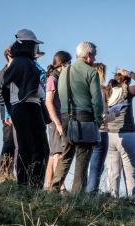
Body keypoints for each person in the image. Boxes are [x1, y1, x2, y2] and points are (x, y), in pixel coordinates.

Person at [52, 41, 104, 193]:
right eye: (93, 56)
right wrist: (98, 121)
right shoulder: (91, 72)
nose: (94, 60)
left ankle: (54, 188)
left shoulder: (64, 72)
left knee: (66, 155)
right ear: (88, 56)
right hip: (85, 119)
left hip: (66, 118)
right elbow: (97, 101)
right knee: (82, 160)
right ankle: (77, 198)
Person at [2, 29, 50, 188]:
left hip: (18, 109)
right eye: (35, 45)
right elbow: (35, 90)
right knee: (40, 149)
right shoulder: (25, 62)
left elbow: (5, 89)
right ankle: (35, 186)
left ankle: (23, 185)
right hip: (29, 107)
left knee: (25, 149)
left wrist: (12, 108)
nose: (37, 48)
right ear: (29, 45)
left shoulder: (16, 62)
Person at [106, 69, 135, 199]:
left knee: (113, 172)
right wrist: (129, 73)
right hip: (128, 134)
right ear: (126, 82)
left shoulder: (107, 92)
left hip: (109, 136)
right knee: (131, 173)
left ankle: (112, 200)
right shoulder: (128, 92)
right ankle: (133, 201)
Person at [86, 64, 120, 193]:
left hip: (86, 129)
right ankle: (91, 195)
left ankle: (81, 193)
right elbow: (103, 116)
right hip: (100, 131)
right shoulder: (99, 90)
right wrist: (115, 114)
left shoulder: (86, 89)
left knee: (85, 165)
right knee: (96, 168)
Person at [44, 51, 72, 190]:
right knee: (58, 153)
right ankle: (60, 187)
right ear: (63, 64)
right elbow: (48, 102)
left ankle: (48, 185)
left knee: (52, 154)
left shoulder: (59, 78)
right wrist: (58, 123)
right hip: (56, 121)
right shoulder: (53, 79)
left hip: (59, 120)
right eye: (69, 63)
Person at [0, 48, 16, 176]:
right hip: (7, 115)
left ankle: (11, 173)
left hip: (18, 112)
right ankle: (4, 173)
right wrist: (11, 103)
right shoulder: (2, 74)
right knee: (9, 142)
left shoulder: (15, 71)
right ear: (8, 56)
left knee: (16, 144)